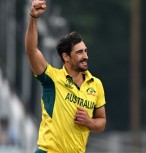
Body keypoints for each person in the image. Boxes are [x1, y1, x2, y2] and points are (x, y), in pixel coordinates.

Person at [25, 0, 107, 153]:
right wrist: (33, 18)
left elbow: (101, 122)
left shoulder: (96, 84)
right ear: (66, 57)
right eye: (79, 52)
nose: (85, 56)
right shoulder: (52, 79)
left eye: (86, 51)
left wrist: (89, 122)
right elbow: (31, 51)